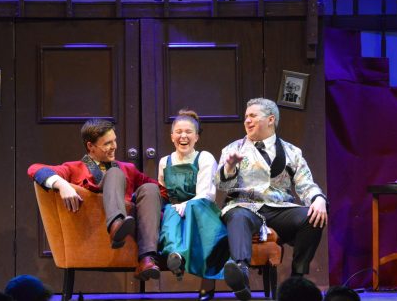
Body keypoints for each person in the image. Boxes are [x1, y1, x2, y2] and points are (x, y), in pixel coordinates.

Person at [214, 98, 328, 300]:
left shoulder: (292, 152)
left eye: (253, 116)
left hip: (278, 207)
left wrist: (318, 198)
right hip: (244, 205)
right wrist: (229, 167)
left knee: (313, 216)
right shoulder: (233, 149)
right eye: (246, 117)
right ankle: (241, 273)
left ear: (270, 119)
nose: (247, 121)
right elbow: (222, 186)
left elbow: (305, 184)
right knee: (238, 216)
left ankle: (297, 278)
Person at [28, 119, 166, 281]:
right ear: (90, 146)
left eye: (114, 140)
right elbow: (34, 169)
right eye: (107, 143)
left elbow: (161, 190)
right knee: (114, 173)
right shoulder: (74, 168)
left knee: (150, 188)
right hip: (94, 229)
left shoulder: (128, 168)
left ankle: (146, 259)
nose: (114, 146)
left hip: (133, 230)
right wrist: (62, 184)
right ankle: (116, 224)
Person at [158, 110, 229, 301]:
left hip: (201, 209)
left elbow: (207, 193)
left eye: (189, 132)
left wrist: (187, 204)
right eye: (179, 131)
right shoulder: (165, 162)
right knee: (170, 212)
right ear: (172, 136)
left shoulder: (204, 158)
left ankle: (207, 284)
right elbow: (164, 191)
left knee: (193, 210)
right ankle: (177, 257)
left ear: (196, 136)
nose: (183, 136)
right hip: (176, 210)